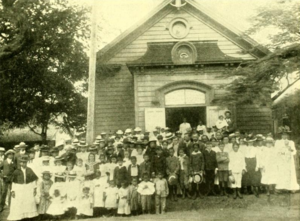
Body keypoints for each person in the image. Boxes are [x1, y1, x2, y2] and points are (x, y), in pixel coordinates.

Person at [7, 155, 39, 221]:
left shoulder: (29, 170)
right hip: (19, 188)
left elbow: (33, 181)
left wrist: (34, 188)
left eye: (25, 162)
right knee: (19, 202)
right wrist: (13, 191)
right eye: (22, 162)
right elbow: (13, 182)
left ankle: (28, 216)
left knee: (29, 201)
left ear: (26, 162)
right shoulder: (16, 171)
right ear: (20, 163)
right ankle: (20, 216)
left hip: (28, 187)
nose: (23, 164)